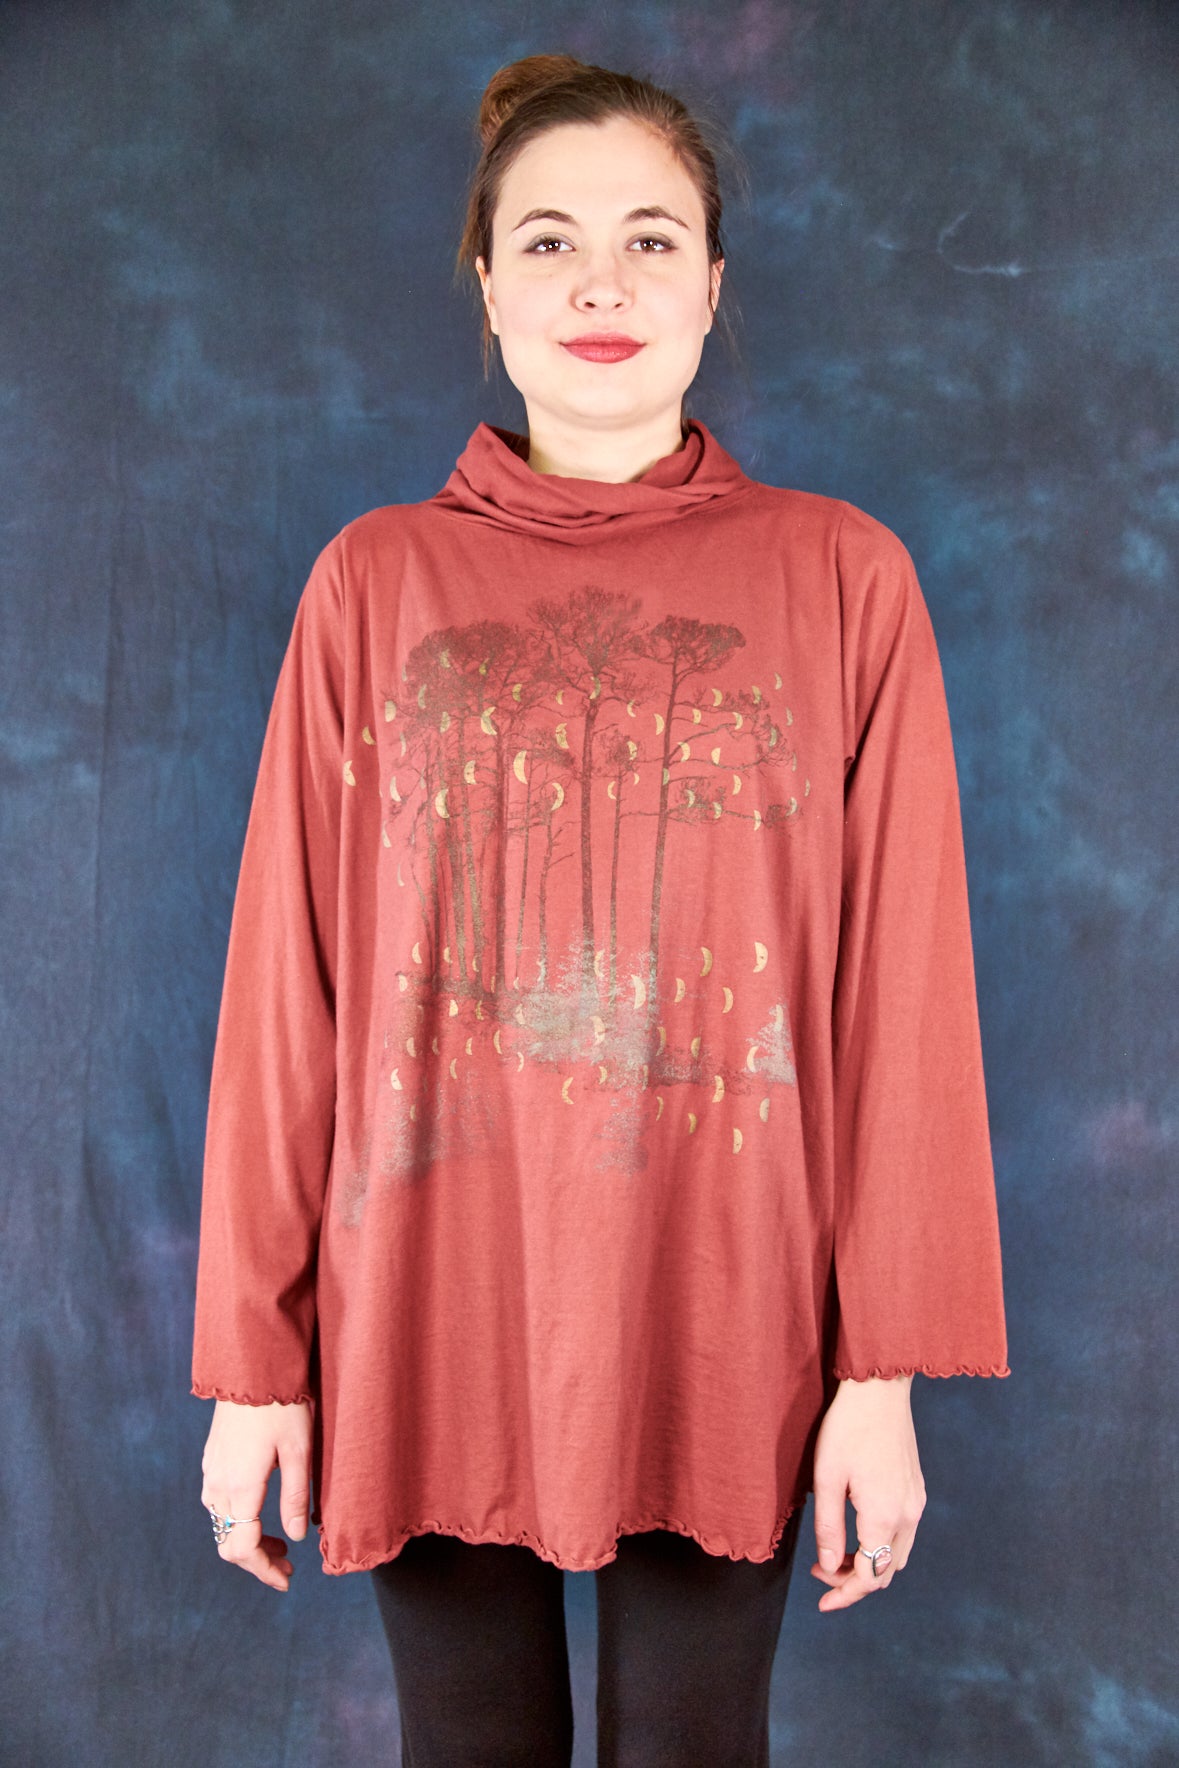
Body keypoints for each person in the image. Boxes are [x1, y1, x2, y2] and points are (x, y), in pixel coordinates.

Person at [192, 52, 1010, 1764]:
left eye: (651, 241)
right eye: (550, 243)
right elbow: (290, 990)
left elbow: (903, 997)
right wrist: (255, 1367)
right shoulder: (375, 583)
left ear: (712, 286)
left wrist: (882, 1376)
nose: (601, 286)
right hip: (430, 1305)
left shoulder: (842, 577)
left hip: (730, 1310)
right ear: (488, 289)